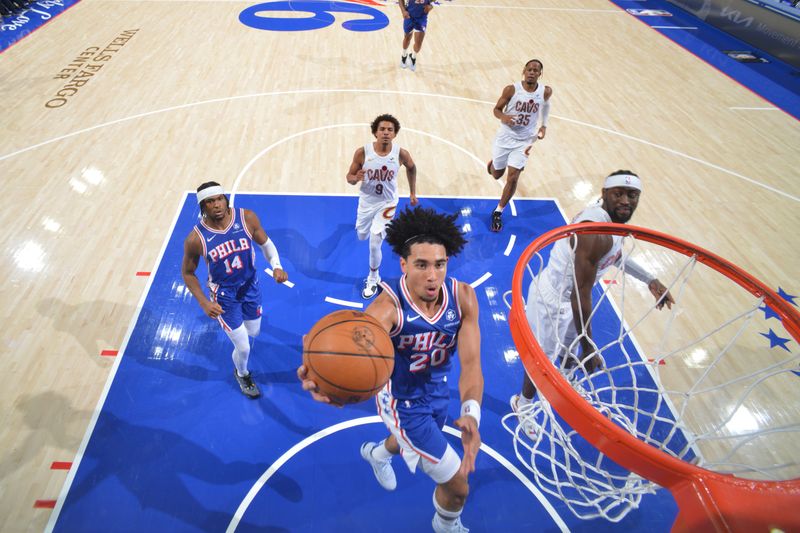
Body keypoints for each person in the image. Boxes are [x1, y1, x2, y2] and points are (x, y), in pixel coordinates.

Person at [298, 206, 483, 533]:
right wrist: (327, 381)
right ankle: (447, 527)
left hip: (436, 392)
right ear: (403, 264)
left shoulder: (463, 297)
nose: (432, 275)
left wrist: (471, 412)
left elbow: (471, 364)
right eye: (421, 265)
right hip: (402, 403)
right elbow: (359, 341)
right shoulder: (388, 308)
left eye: (439, 265)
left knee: (414, 440)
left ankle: (378, 454)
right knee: (458, 486)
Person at [511, 170, 675, 436]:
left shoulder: (613, 223)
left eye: (632, 195)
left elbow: (614, 256)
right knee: (541, 359)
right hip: (553, 300)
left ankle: (567, 375)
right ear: (604, 194)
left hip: (574, 298)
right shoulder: (593, 231)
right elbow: (579, 292)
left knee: (571, 350)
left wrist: (649, 279)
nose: (625, 201)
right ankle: (524, 403)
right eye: (618, 194)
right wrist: (589, 344)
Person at [181, 182, 288, 399]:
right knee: (244, 348)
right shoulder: (196, 239)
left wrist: (277, 266)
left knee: (254, 331)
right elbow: (188, 273)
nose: (216, 205)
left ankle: (240, 342)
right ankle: (242, 373)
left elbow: (266, 244)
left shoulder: (246, 218)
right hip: (224, 297)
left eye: (219, 199)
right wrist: (204, 302)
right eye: (210, 201)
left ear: (225, 199)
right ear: (203, 206)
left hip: (250, 286)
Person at [347, 114, 418, 299]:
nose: (386, 133)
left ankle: (373, 277)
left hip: (387, 203)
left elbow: (412, 168)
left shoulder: (401, 154)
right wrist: (356, 178)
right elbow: (349, 177)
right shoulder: (362, 152)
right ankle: (373, 270)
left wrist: (412, 193)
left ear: (394, 134)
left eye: (390, 130)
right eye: (382, 129)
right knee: (361, 236)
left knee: (374, 243)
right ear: (375, 132)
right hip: (367, 202)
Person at [487, 59, 553, 232]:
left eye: (535, 70)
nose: (532, 72)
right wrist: (504, 117)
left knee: (514, 176)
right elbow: (496, 109)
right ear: (524, 71)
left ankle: (498, 211)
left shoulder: (545, 91)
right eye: (529, 69)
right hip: (505, 137)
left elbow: (546, 106)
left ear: (540, 74)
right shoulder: (511, 89)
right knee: (496, 174)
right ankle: (493, 165)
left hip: (525, 140)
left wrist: (544, 125)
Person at [399, 0, 434, 72]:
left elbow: (431, 3)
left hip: (421, 18)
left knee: (418, 45)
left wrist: (430, 6)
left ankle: (413, 57)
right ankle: (404, 55)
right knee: (407, 38)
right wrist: (403, 11)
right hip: (409, 16)